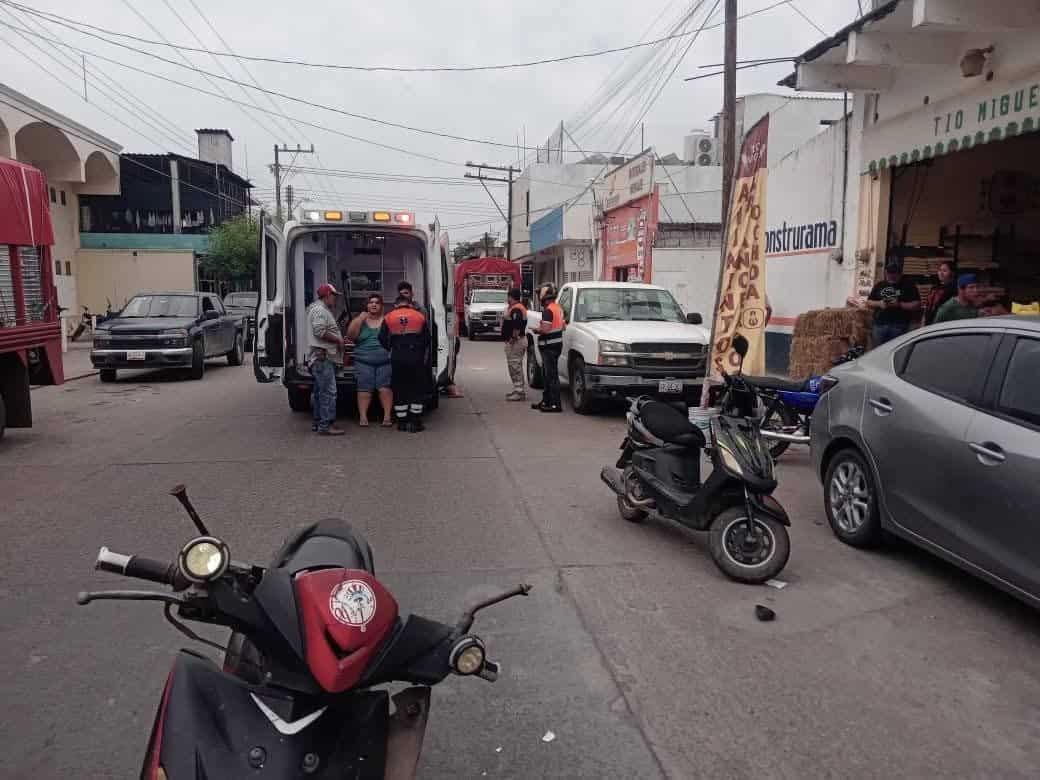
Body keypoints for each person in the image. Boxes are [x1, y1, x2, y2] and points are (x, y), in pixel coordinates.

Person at [380, 295, 430, 432]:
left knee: (399, 388)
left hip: (397, 356)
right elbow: (427, 338)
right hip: (415, 356)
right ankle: (415, 422)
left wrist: (390, 348)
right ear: (409, 304)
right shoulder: (419, 316)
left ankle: (401, 422)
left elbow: (381, 337)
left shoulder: (389, 316)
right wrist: (419, 349)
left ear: (396, 305)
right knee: (416, 388)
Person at [346, 293, 393, 427]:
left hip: (385, 361)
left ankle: (387, 417)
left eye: (377, 302)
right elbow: (350, 335)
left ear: (381, 306)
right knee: (364, 389)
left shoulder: (387, 320)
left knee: (385, 388)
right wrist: (360, 319)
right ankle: (363, 417)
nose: (373, 304)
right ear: (366, 306)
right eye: (371, 302)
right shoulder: (360, 320)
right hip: (363, 361)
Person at [307, 283, 346, 436]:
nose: (335, 300)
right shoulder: (320, 310)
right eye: (334, 296)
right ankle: (326, 425)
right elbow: (320, 331)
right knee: (328, 392)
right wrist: (339, 341)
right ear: (328, 295)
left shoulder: (317, 309)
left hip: (320, 357)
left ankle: (318, 422)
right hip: (323, 357)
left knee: (319, 392)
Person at [867, 259, 921, 345]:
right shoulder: (880, 285)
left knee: (896, 350)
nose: (891, 276)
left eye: (894, 274)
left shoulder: (908, 286)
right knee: (877, 351)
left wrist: (899, 305)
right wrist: (879, 304)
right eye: (889, 273)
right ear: (885, 272)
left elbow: (917, 304)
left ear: (900, 274)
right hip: (880, 324)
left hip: (899, 325)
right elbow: (869, 302)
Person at [532, 283, 564, 413]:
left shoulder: (548, 311)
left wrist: (537, 330)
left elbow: (545, 329)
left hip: (549, 348)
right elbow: (563, 326)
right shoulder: (558, 308)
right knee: (548, 375)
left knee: (550, 377)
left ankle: (555, 404)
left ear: (544, 296)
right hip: (555, 346)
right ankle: (546, 401)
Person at [502, 287, 527, 401]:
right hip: (516, 341)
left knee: (515, 366)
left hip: (516, 341)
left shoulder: (516, 309)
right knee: (514, 366)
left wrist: (512, 338)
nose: (507, 299)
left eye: (508, 296)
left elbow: (517, 326)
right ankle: (517, 389)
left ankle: (519, 392)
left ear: (511, 297)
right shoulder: (514, 308)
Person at [923, 260, 957, 326]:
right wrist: (923, 321)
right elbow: (927, 306)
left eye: (944, 271)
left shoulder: (954, 289)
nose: (940, 273)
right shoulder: (934, 287)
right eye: (939, 270)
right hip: (928, 323)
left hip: (942, 324)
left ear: (952, 273)